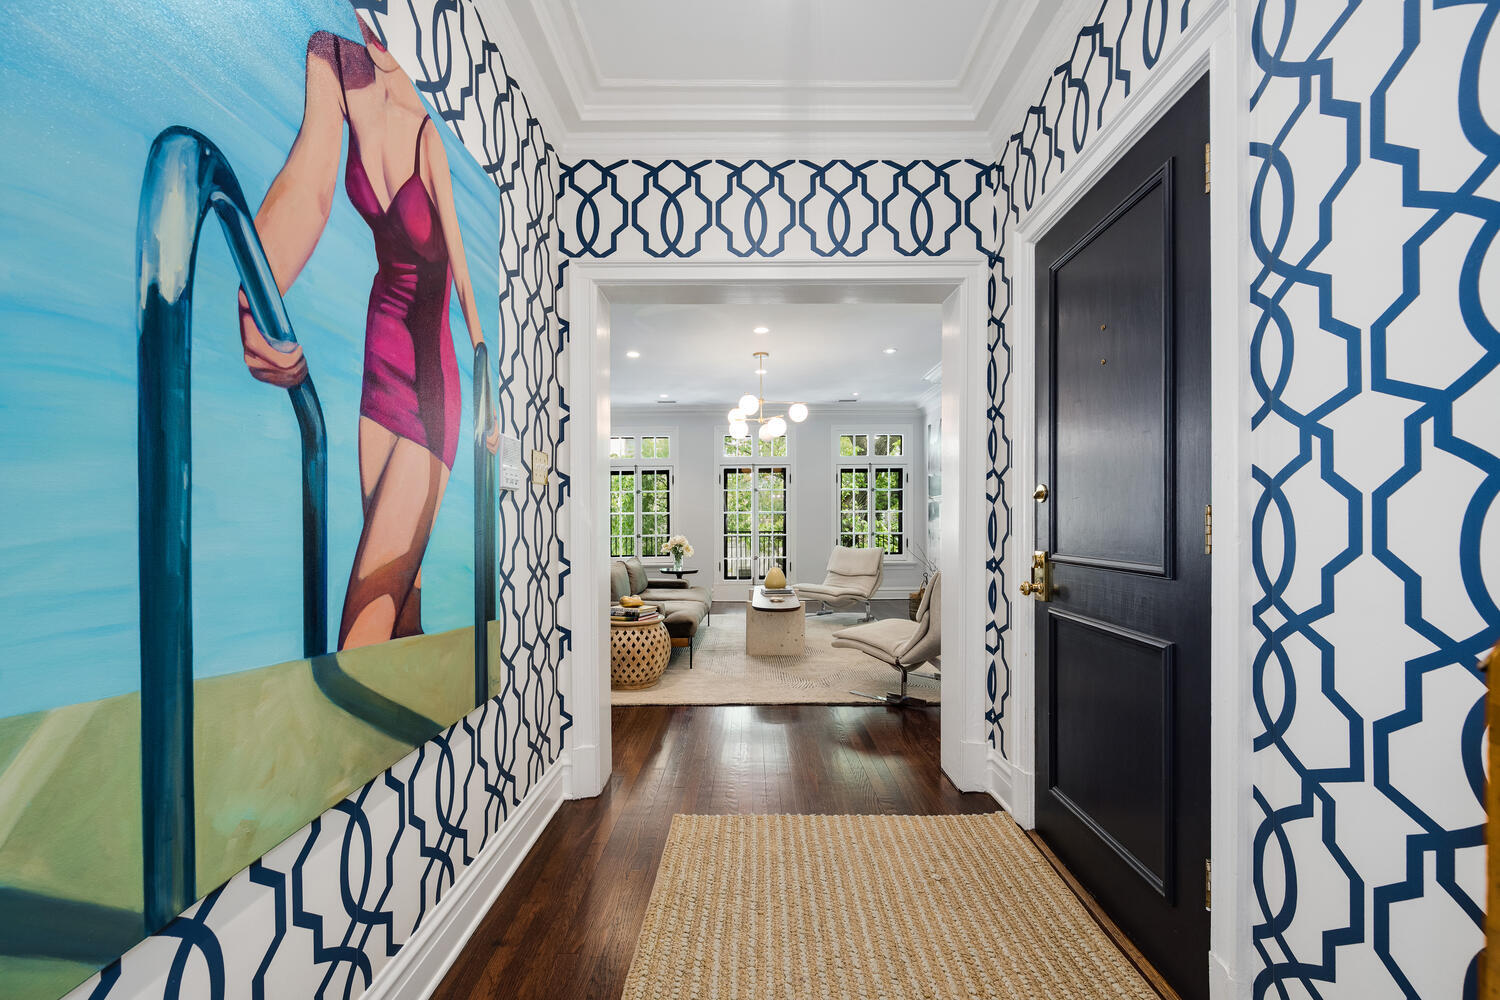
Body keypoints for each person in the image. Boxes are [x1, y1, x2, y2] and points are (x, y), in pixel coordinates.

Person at [237, 18, 496, 650]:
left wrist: (487, 379)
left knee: (366, 616)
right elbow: (309, 187)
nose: (372, 21)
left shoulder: (431, 131)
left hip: (433, 377)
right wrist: (255, 294)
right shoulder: (332, 59)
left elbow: (464, 280)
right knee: (400, 610)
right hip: (379, 359)